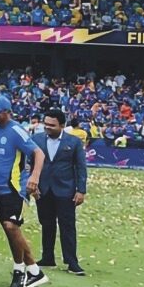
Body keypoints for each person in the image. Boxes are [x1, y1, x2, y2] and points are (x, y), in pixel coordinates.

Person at [0, 96, 49, 287]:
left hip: (14, 188)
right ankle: (34, 271)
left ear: (7, 112)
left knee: (11, 226)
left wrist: (34, 178)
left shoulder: (16, 131)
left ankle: (19, 270)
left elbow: (39, 153)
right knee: (10, 232)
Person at [35, 108, 88, 276]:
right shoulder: (36, 140)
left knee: (67, 226)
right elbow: (29, 163)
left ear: (62, 125)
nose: (48, 127)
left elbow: (81, 167)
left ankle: (72, 262)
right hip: (43, 189)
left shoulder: (73, 142)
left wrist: (81, 190)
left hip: (65, 190)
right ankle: (47, 257)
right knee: (46, 224)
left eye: (52, 125)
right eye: (46, 124)